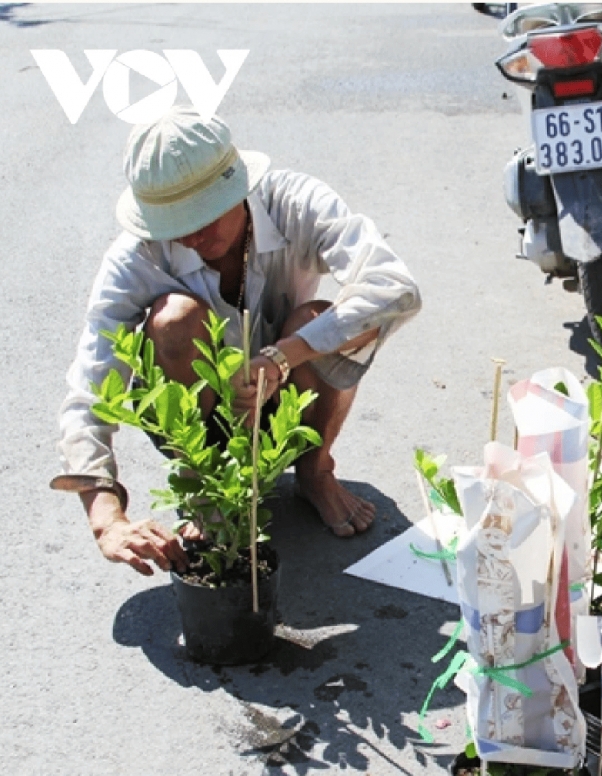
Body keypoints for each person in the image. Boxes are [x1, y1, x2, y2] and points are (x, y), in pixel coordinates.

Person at [52, 106, 422, 575]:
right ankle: (205, 488)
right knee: (174, 320)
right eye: (175, 224)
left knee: (321, 318)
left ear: (240, 185)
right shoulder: (136, 255)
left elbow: (395, 287)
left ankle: (314, 470)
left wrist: (287, 354)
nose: (191, 235)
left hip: (293, 399)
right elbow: (90, 386)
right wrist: (106, 518)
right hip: (200, 416)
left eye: (204, 217)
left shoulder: (295, 202)